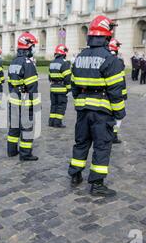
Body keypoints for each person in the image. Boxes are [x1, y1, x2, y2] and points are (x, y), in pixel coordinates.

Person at [68, 15, 125, 197]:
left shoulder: (79, 57)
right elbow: (116, 91)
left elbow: (74, 86)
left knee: (81, 142)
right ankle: (97, 184)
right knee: (101, 146)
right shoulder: (111, 59)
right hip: (102, 111)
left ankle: (75, 174)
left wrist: (80, 103)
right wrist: (119, 113)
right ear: (107, 36)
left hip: (83, 110)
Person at [7, 32, 40, 161]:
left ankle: (11, 150)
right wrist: (36, 104)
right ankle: (25, 154)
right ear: (28, 47)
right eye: (33, 46)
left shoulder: (13, 62)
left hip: (13, 99)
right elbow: (32, 87)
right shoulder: (28, 63)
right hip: (25, 101)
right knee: (27, 128)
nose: (34, 49)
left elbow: (10, 83)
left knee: (14, 127)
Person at [48, 44, 71, 128]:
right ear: (63, 53)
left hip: (53, 88)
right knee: (61, 106)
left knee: (53, 105)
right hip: (61, 88)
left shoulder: (52, 63)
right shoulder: (65, 63)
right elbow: (67, 77)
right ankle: (57, 122)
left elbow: (49, 77)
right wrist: (69, 89)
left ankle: (51, 122)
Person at [108, 38, 126, 144]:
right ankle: (113, 135)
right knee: (118, 115)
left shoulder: (103, 58)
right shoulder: (118, 61)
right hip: (116, 93)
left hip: (103, 94)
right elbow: (121, 80)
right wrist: (123, 94)